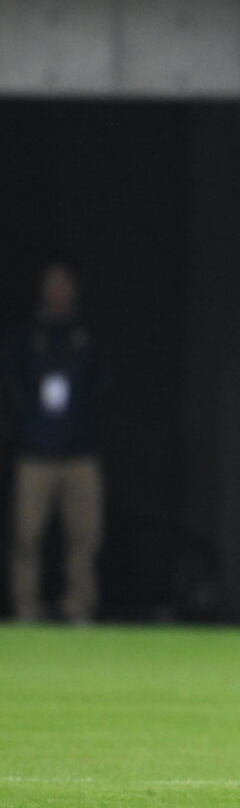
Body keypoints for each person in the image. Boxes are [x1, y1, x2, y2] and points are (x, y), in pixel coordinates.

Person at [7, 263, 107, 624]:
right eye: (52, 284)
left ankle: (78, 603)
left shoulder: (88, 334)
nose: (58, 292)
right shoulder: (25, 335)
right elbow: (11, 382)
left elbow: (102, 383)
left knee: (85, 534)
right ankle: (26, 603)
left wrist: (85, 421)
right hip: (36, 450)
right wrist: (25, 423)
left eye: (64, 284)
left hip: (79, 450)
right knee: (26, 532)